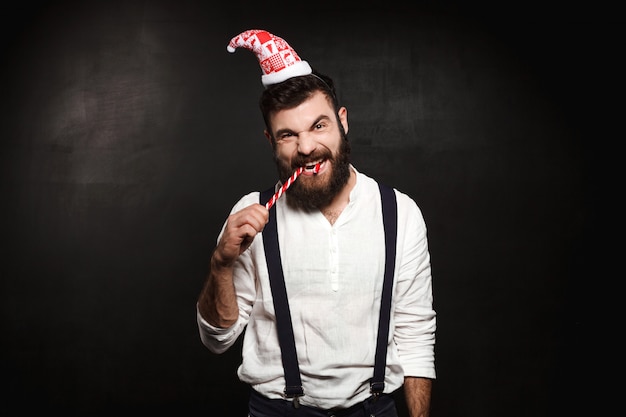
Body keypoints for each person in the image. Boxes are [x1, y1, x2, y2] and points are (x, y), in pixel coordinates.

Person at [197, 29, 436, 417]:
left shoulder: (399, 213)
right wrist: (220, 264)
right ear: (270, 141)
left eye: (318, 126)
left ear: (342, 121)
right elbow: (217, 340)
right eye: (288, 135)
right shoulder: (251, 215)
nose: (306, 147)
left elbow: (415, 335)